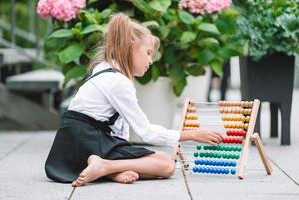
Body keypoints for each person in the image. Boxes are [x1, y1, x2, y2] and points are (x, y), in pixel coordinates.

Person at [45, 13, 222, 188]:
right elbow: (146, 132)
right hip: (89, 139)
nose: (151, 60)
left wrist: (127, 153)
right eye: (148, 53)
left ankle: (110, 170)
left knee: (146, 163)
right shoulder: (119, 82)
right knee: (166, 164)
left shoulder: (103, 67)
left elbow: (118, 128)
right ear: (131, 48)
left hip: (69, 142)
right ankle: (106, 166)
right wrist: (192, 134)